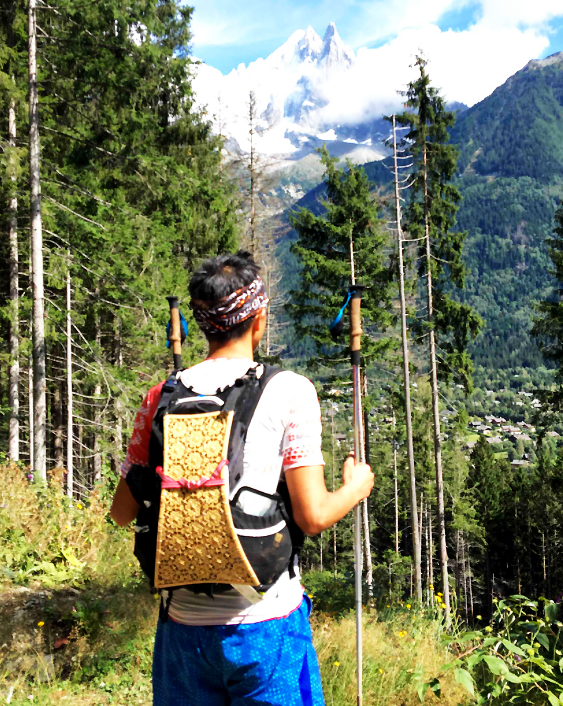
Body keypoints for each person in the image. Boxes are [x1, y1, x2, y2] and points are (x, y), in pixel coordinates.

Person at [110, 251, 374, 706]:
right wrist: (356, 486)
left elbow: (120, 513)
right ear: (259, 319)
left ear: (203, 323)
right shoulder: (289, 391)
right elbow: (312, 516)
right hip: (265, 622)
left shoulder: (159, 396)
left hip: (182, 627)